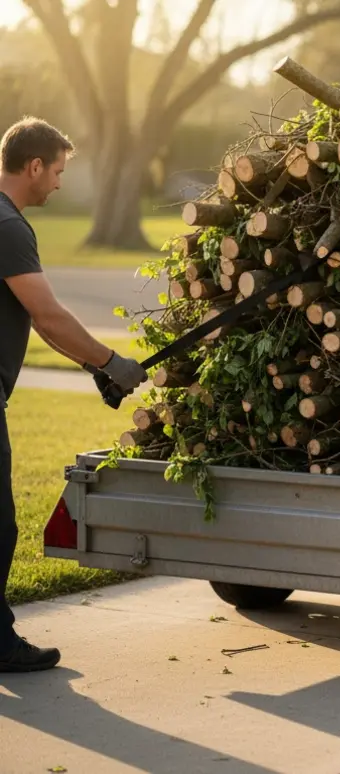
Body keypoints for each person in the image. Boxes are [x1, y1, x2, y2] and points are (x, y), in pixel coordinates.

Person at [0, 117, 148, 672]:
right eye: (58, 171)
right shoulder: (9, 226)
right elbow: (48, 315)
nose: (60, 183)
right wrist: (112, 362)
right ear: (34, 166)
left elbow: (40, 325)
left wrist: (93, 368)